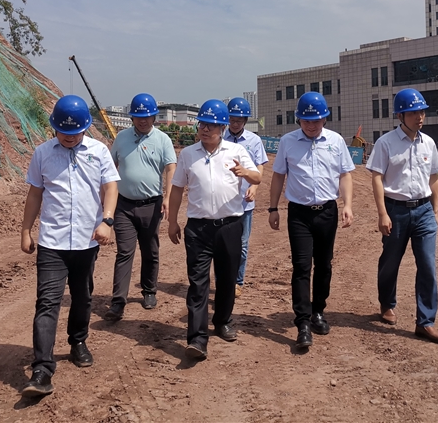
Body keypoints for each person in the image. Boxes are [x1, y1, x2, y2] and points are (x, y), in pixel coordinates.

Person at [20, 95, 120, 398]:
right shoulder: (42, 153)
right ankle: (42, 369)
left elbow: (110, 187)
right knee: (47, 302)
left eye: (75, 132)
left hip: (87, 241)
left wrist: (107, 220)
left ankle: (78, 341)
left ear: (85, 128)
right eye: (64, 132)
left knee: (82, 297)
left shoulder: (99, 151)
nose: (69, 137)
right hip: (52, 241)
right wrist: (26, 230)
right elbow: (35, 193)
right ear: (54, 127)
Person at [167, 99, 261, 360]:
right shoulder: (188, 154)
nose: (205, 130)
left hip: (230, 226)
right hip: (198, 229)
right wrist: (172, 221)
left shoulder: (236, 151)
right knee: (198, 284)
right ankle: (197, 339)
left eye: (212, 125)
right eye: (202, 125)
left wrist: (245, 172)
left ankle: (223, 321)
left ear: (222, 128)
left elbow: (258, 177)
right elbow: (177, 189)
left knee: (227, 279)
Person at [268, 92, 355, 349]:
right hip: (299, 214)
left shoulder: (336, 141)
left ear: (325, 118)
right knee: (301, 266)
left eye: (316, 120)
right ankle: (303, 322)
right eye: (306, 121)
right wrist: (273, 208)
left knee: (324, 265)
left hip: (327, 212)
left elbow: (345, 175)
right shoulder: (288, 142)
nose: (311, 125)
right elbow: (278, 176)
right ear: (298, 120)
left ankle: (318, 311)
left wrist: (347, 205)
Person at [366, 88, 438, 345]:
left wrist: (435, 211)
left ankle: (426, 322)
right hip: (396, 210)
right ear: (400, 115)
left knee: (428, 266)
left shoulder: (429, 143)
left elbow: (434, 178)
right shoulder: (385, 143)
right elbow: (376, 178)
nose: (419, 117)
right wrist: (382, 213)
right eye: (413, 113)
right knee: (390, 262)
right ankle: (387, 303)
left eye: (422, 112)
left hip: (424, 211)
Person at [104, 93, 176, 320]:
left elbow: (171, 169)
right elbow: (110, 166)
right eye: (138, 117)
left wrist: (168, 196)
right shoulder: (121, 138)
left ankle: (149, 290)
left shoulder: (163, 140)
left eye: (147, 117)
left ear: (154, 117)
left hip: (151, 205)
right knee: (124, 252)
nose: (143, 121)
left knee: (150, 250)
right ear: (132, 117)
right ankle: (118, 301)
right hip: (124, 205)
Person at [224, 97, 268, 297]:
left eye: (239, 120)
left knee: (242, 244)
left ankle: (237, 281)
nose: (235, 124)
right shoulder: (220, 137)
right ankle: (224, 281)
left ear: (245, 121)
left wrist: (254, 187)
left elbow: (259, 166)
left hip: (245, 202)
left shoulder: (254, 140)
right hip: (224, 202)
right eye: (232, 120)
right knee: (223, 245)